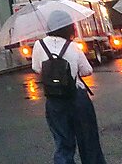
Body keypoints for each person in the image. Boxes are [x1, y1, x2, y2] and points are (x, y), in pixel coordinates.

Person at [32, 11, 106, 163]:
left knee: (63, 142)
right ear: (69, 27)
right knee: (88, 140)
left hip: (54, 99)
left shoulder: (39, 45)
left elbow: (37, 68)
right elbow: (87, 70)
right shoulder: (73, 46)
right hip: (77, 97)